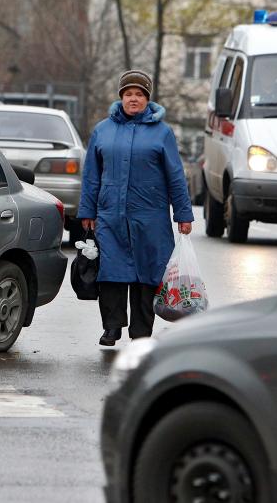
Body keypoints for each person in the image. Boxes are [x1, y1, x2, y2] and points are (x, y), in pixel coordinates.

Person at [78, 70, 194, 346]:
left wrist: (183, 213)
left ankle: (141, 333)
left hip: (150, 218)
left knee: (148, 276)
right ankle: (112, 327)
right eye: (128, 94)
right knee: (111, 273)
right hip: (110, 216)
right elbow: (92, 174)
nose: (133, 99)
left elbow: (175, 175)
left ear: (147, 99)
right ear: (121, 97)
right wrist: (87, 211)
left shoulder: (162, 133)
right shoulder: (103, 130)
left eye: (139, 94)